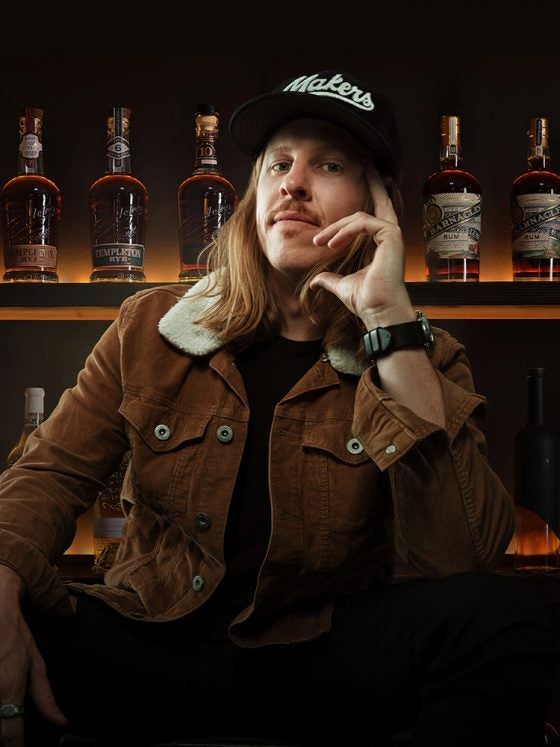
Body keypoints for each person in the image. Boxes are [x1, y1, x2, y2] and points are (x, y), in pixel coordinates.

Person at [0, 69, 557, 747]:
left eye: (329, 165)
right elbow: (51, 474)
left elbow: (462, 553)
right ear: (255, 195)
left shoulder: (425, 355)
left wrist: (388, 319)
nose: (294, 183)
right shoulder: (149, 325)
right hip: (154, 640)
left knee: (504, 619)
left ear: (379, 204)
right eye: (278, 163)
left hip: (324, 655)